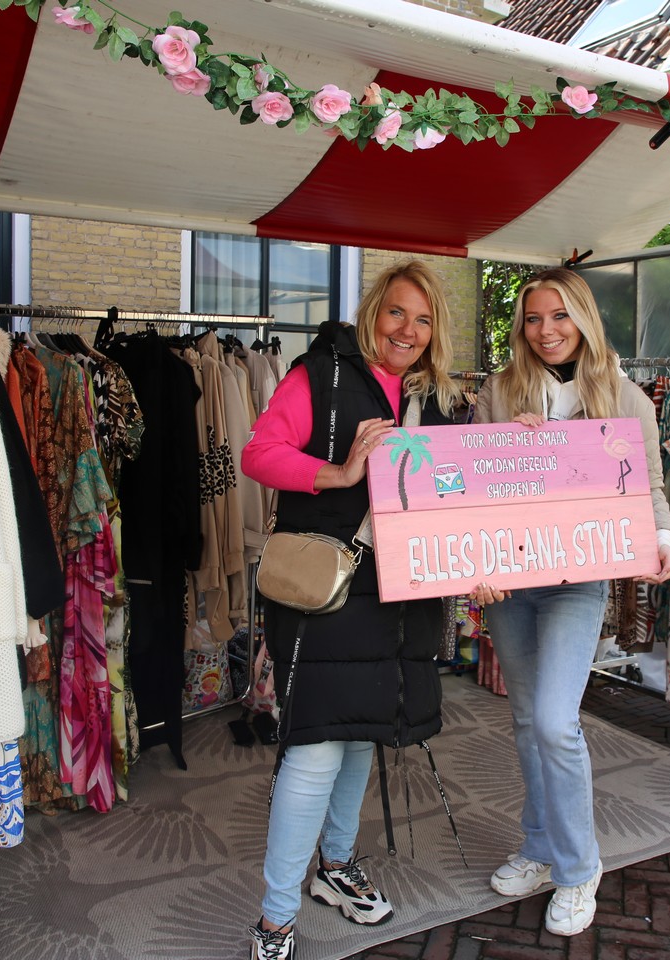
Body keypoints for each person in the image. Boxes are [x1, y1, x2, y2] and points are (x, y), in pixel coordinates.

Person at [240, 260, 462, 960]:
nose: (408, 331)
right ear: (373, 312)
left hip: (403, 594)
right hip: (328, 591)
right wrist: (337, 473)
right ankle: (275, 920)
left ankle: (336, 868)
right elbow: (259, 454)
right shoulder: (321, 375)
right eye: (397, 312)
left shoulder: (440, 395)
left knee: (362, 735)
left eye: (423, 320)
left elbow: (465, 484)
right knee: (314, 749)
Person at [468, 267, 670, 937]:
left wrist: (662, 539)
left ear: (583, 318)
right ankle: (539, 846)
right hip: (509, 578)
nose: (546, 330)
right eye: (533, 318)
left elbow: (647, 483)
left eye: (559, 315)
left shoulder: (623, 395)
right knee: (527, 719)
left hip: (577, 581)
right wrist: (506, 444)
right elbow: (470, 486)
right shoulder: (499, 391)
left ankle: (580, 866)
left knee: (556, 721)